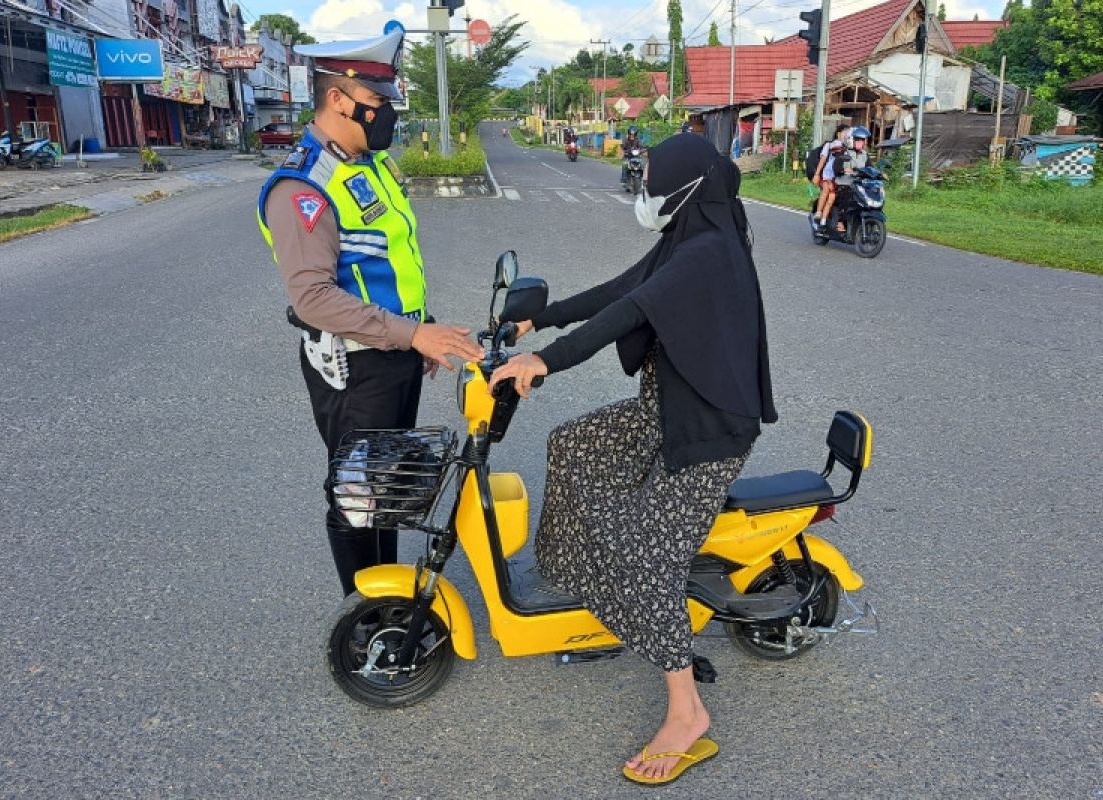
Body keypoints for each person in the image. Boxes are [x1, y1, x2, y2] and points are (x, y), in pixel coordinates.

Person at [490, 133, 776, 785]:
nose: (644, 192)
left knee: (646, 556)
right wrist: (540, 321)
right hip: (664, 408)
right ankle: (577, 579)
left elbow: (630, 312)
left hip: (705, 429)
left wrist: (545, 360)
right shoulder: (686, 238)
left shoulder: (708, 252)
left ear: (687, 185)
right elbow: (621, 287)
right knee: (572, 445)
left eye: (652, 180)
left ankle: (687, 713)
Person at [256, 25, 484, 596]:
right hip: (355, 366)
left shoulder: (368, 166)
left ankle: (386, 593)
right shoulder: (304, 185)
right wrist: (411, 335)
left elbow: (384, 264)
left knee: (384, 483)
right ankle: (366, 618)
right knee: (357, 493)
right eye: (378, 103)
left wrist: (418, 333)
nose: (387, 114)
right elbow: (311, 295)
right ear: (339, 98)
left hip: (392, 352)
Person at [812, 122, 850, 230]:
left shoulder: (846, 149)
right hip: (827, 176)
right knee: (825, 191)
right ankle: (818, 213)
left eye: (848, 133)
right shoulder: (829, 145)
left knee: (833, 198)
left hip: (838, 178)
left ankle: (826, 220)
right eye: (845, 133)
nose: (846, 135)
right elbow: (823, 160)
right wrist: (817, 174)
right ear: (838, 134)